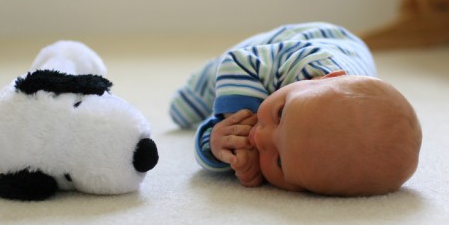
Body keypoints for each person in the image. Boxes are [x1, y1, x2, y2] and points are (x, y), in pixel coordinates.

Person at [170, 22, 422, 196]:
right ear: (323, 79)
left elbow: (223, 148)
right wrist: (234, 121)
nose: (259, 136)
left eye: (279, 161)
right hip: (298, 41)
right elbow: (237, 62)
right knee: (186, 107)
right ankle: (191, 96)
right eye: (280, 114)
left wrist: (220, 146)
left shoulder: (319, 159)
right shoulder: (307, 68)